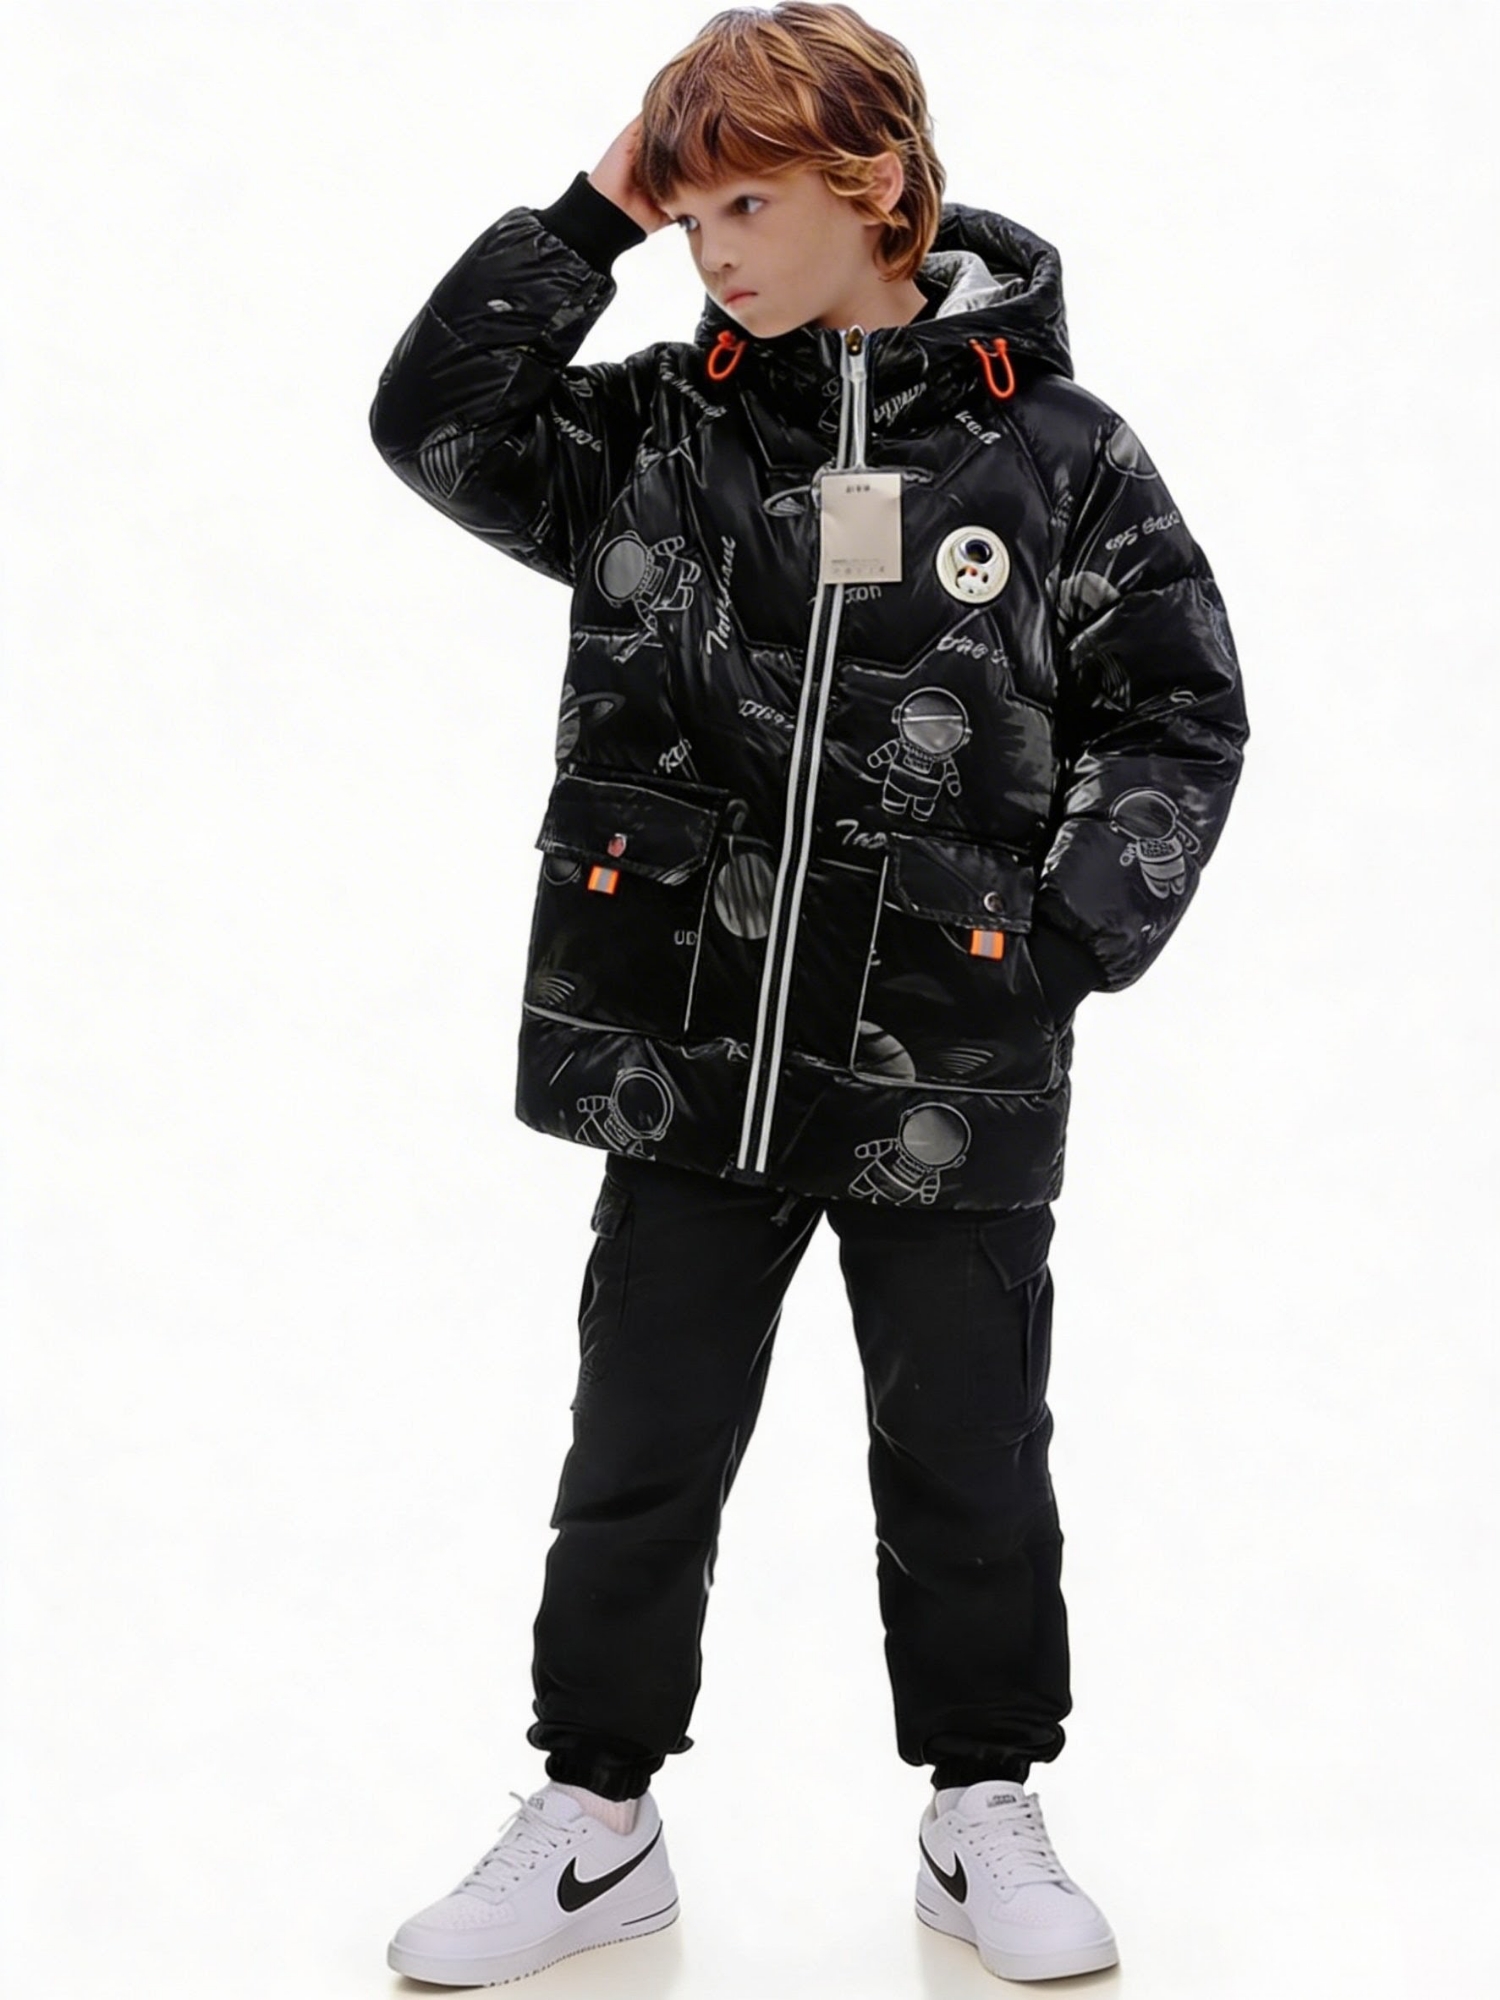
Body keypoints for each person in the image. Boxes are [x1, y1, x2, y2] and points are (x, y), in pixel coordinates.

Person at [368, 2, 1248, 1985]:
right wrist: (593, 213)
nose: (717, 256)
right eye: (689, 220)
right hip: (685, 1048)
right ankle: (596, 1819)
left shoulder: (1062, 459)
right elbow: (434, 420)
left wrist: (1059, 938)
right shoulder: (653, 434)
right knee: (639, 1443)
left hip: (946, 1054)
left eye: (748, 207)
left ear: (878, 186)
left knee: (967, 1452)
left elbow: (1179, 711)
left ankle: (982, 1806)